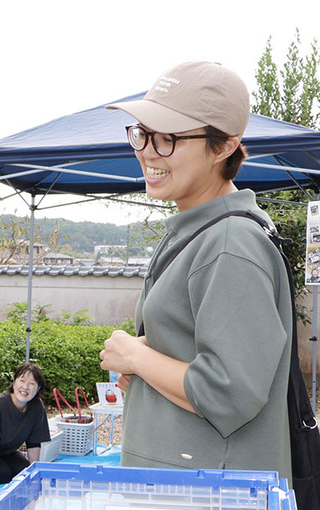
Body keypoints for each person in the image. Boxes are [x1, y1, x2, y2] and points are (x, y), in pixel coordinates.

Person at [100, 61, 292, 478]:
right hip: (183, 490)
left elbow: (229, 391)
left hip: (202, 503)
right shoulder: (199, 229)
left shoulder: (229, 244)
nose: (148, 150)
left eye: (169, 138)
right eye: (143, 133)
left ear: (223, 147)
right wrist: (150, 359)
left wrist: (135, 355)